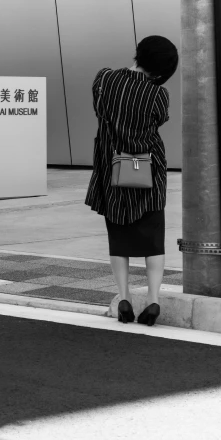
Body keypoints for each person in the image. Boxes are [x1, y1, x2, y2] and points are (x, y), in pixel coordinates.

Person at [85, 35, 179, 326]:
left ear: (138, 54)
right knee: (153, 240)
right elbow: (160, 120)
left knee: (119, 238)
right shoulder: (157, 95)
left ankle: (123, 298)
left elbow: (98, 110)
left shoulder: (105, 80)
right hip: (147, 170)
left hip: (112, 169)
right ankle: (153, 300)